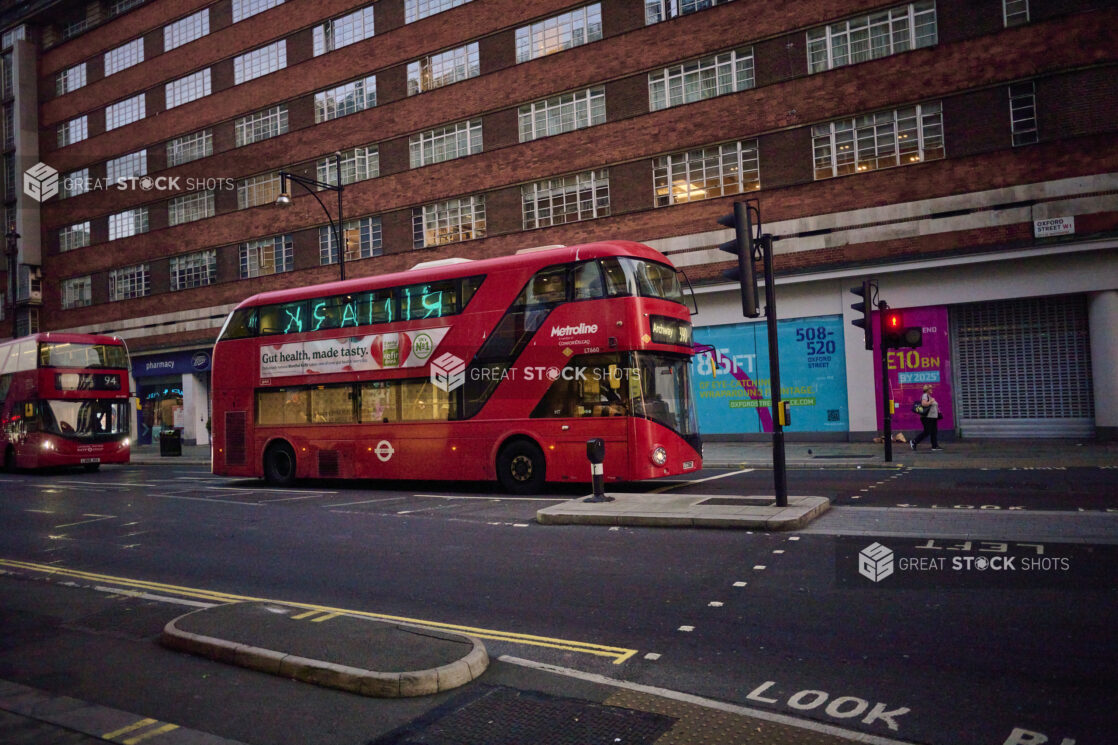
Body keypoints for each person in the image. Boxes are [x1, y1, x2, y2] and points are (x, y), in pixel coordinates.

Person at [910, 384, 942, 451]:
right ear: (927, 390)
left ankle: (934, 446)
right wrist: (931, 401)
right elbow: (923, 404)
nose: (931, 390)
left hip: (932, 417)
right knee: (927, 431)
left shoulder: (929, 396)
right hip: (927, 417)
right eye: (930, 389)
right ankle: (914, 442)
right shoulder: (925, 395)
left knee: (934, 431)